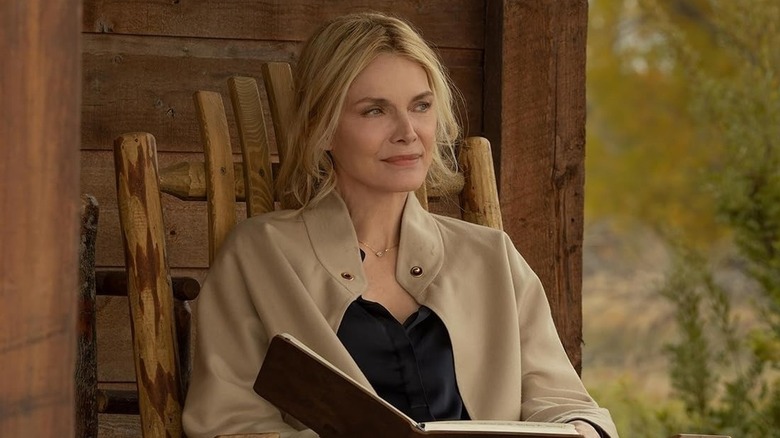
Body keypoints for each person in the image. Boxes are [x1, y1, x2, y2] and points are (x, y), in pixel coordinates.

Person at [182, 11, 619, 438]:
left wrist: (580, 429)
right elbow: (230, 421)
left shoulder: (492, 257)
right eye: (375, 111)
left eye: (421, 106)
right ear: (323, 128)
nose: (408, 131)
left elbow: (565, 402)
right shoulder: (260, 255)